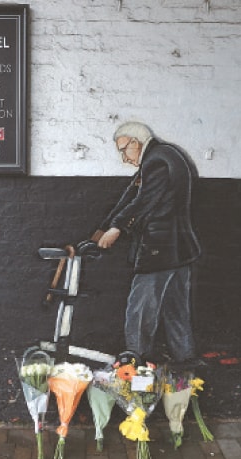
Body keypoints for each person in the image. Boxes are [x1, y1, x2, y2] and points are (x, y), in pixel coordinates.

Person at [92, 121, 202, 366]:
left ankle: (135, 359)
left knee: (140, 309)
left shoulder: (156, 162)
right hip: (179, 248)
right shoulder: (165, 155)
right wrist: (102, 230)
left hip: (159, 248)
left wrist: (116, 228)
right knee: (176, 310)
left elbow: (143, 201)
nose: (123, 158)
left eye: (123, 150)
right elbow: (132, 194)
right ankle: (185, 360)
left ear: (136, 142)